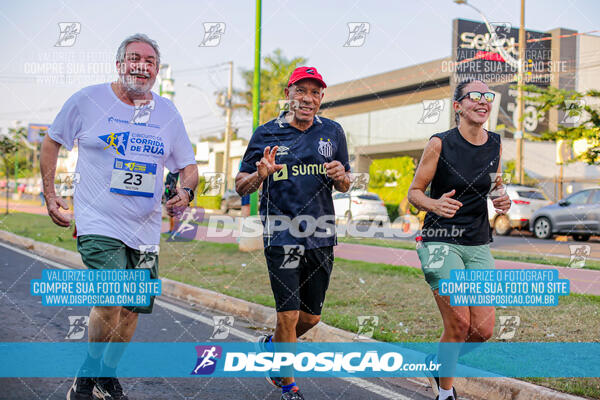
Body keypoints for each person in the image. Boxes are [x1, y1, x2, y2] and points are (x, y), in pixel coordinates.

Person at [40, 33, 198, 400]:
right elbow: (51, 142)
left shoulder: (167, 113)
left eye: (150, 61)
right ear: (119, 64)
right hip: (98, 221)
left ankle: (107, 374)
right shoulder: (87, 100)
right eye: (134, 58)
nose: (142, 66)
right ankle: (87, 375)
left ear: (157, 71)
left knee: (130, 309)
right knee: (111, 295)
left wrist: (186, 191)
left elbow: (189, 167)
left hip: (145, 228)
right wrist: (50, 195)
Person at [235, 66, 351, 400]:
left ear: (321, 98)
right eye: (302, 91)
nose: (308, 99)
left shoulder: (333, 132)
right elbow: (241, 183)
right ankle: (287, 383)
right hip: (281, 231)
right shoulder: (266, 133)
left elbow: (343, 182)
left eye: (315, 92)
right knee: (287, 314)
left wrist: (342, 175)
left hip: (321, 232)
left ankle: (272, 347)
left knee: (310, 318)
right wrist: (260, 175)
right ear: (289, 93)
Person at [407, 79, 511, 400]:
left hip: (477, 242)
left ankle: (438, 363)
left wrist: (501, 197)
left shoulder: (495, 143)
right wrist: (434, 204)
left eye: (487, 96)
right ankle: (446, 393)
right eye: (474, 96)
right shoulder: (439, 144)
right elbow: (414, 193)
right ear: (458, 107)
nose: (483, 101)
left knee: (483, 330)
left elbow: (495, 182)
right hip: (440, 241)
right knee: (459, 323)